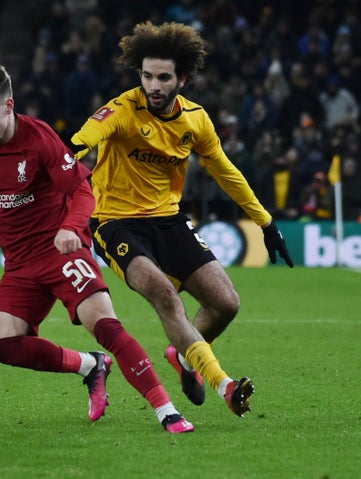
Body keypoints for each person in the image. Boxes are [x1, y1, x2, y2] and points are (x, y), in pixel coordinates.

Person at [0, 60, 194, 433]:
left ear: (8, 106)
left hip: (62, 252)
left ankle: (166, 410)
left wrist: (72, 228)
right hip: (20, 266)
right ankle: (91, 365)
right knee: (0, 342)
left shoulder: (40, 139)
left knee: (106, 326)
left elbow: (80, 190)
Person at [69, 22, 294, 417]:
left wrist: (265, 222)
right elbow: (81, 140)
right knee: (164, 295)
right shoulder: (122, 110)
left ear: (183, 78)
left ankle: (185, 358)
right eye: (146, 76)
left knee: (226, 303)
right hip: (116, 223)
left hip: (169, 220)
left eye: (163, 77)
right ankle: (224, 384)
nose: (153, 85)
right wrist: (61, 159)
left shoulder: (195, 120)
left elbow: (225, 171)